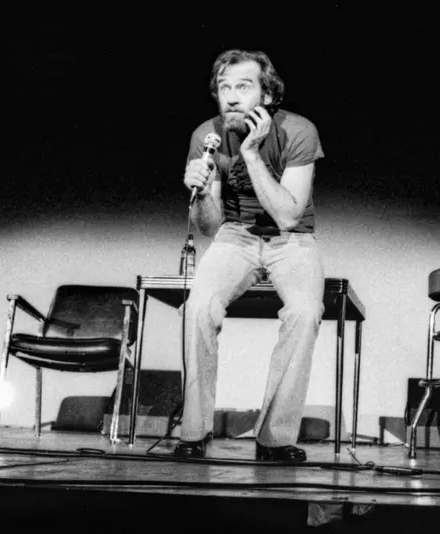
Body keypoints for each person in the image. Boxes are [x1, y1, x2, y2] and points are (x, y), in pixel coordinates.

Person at [175, 49, 326, 462]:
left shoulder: (298, 130)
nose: (231, 97)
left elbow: (288, 214)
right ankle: (194, 431)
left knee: (304, 312)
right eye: (224, 88)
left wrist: (253, 154)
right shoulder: (205, 134)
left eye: (243, 86)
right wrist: (203, 192)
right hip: (236, 234)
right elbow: (208, 226)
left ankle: (274, 439)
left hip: (290, 238)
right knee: (198, 307)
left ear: (268, 93)